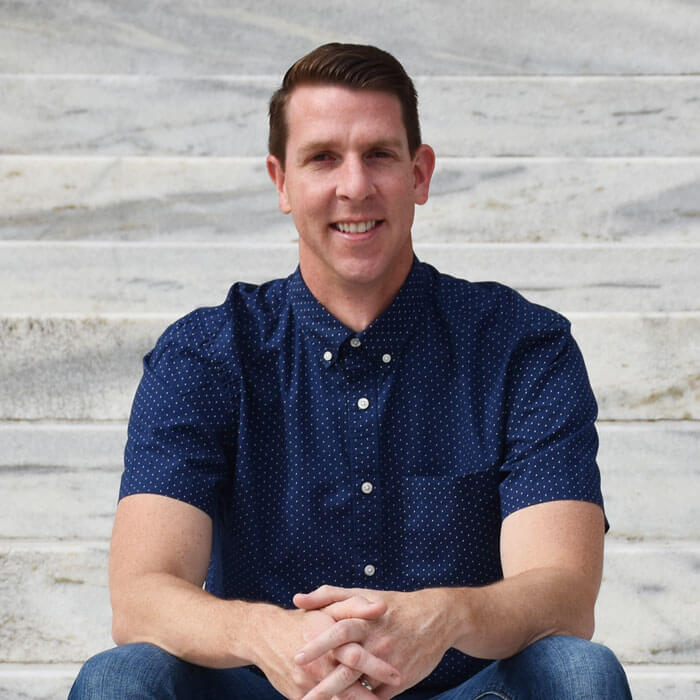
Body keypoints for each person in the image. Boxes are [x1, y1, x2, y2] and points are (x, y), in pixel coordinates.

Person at [69, 43, 632, 699]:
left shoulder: (522, 348)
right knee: (120, 678)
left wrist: (442, 617)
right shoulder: (207, 353)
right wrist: (266, 635)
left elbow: (563, 593)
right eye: (323, 158)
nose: (354, 186)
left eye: (380, 155)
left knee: (578, 674)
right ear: (281, 182)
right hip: (267, 689)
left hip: (464, 690)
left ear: (420, 174)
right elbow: (140, 597)